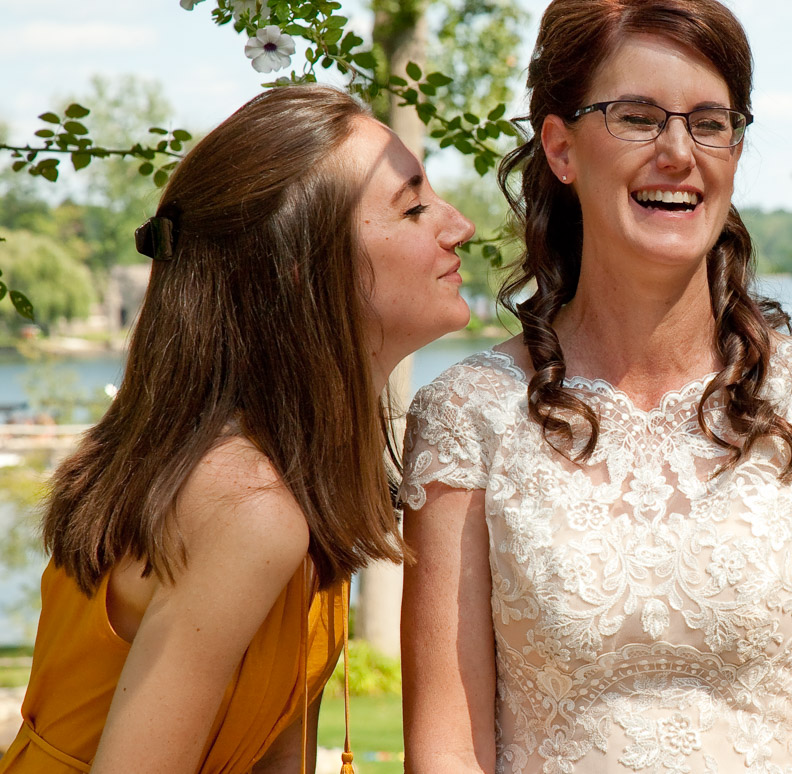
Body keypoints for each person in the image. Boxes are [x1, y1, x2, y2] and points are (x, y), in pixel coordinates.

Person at [399, 0, 792, 774]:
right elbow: (449, 747)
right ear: (561, 149)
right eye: (637, 117)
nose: (679, 152)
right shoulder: (468, 415)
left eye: (710, 123)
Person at [0, 85, 475, 774]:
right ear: (302, 269)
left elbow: (272, 747)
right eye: (413, 207)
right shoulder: (246, 504)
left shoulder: (299, 471)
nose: (459, 225)